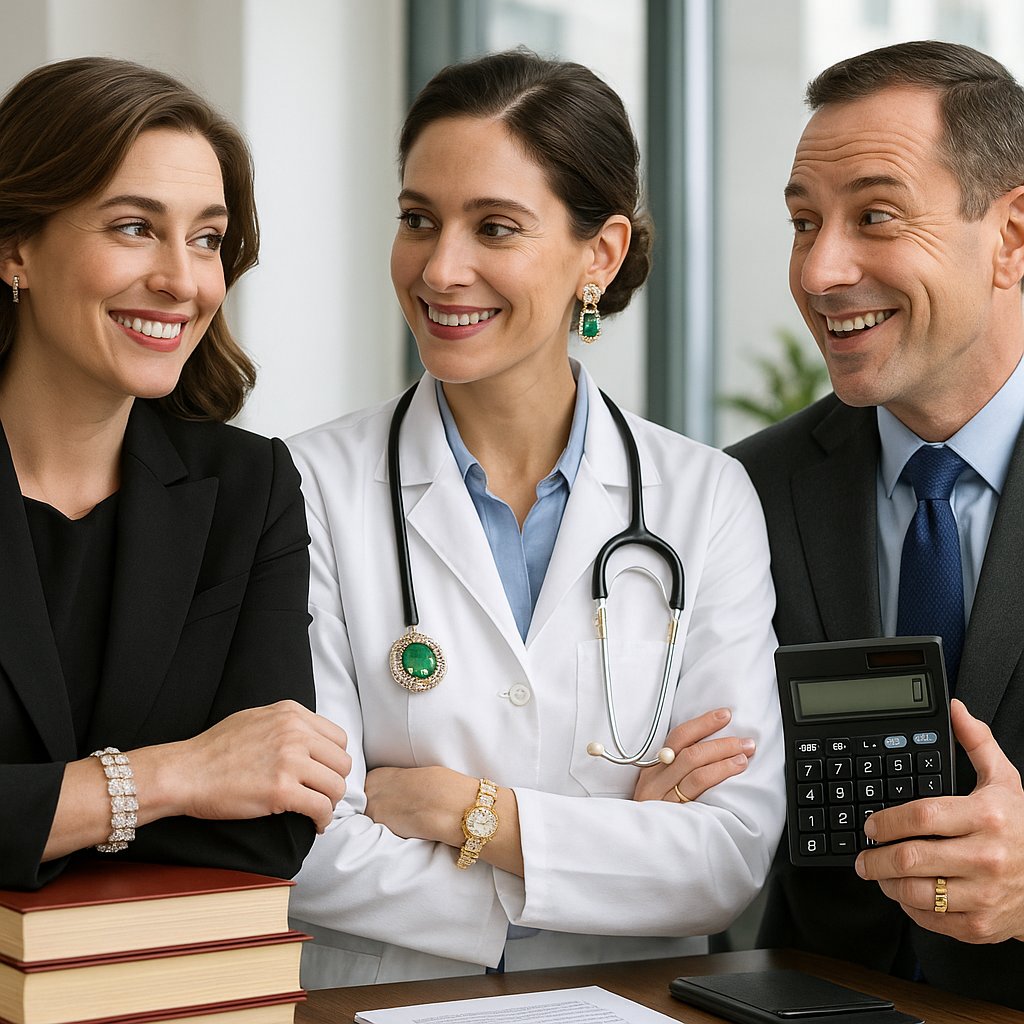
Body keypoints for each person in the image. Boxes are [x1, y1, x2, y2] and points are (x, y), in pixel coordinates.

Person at [287, 49, 784, 987]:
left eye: (495, 227)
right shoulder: (305, 486)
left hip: (630, 1004)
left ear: (600, 254)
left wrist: (473, 815)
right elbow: (304, 848)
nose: (441, 268)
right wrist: (612, 854)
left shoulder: (705, 498)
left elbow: (724, 859)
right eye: (418, 220)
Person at [0, 57, 350, 891]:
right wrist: (175, 778)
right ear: (15, 246)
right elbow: (219, 793)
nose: (182, 281)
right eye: (132, 227)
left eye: (206, 239)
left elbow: (273, 827)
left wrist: (37, 812)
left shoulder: (250, 489)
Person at [728, 40, 1024, 1010]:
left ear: (1012, 234)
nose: (819, 270)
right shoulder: (748, 491)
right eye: (803, 222)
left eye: (875, 216)